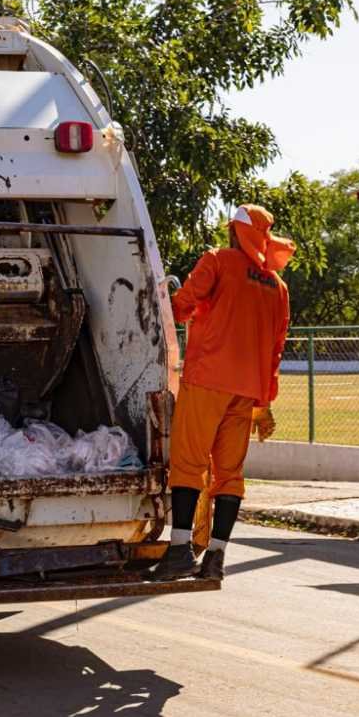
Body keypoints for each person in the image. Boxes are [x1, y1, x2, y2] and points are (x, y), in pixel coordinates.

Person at [151, 205, 294, 582]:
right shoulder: (278, 287)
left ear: (234, 230)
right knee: (229, 474)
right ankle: (216, 556)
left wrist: (170, 297)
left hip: (208, 380)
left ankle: (180, 549)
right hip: (247, 392)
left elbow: (181, 308)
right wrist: (265, 402)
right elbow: (277, 348)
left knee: (189, 462)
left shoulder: (217, 260)